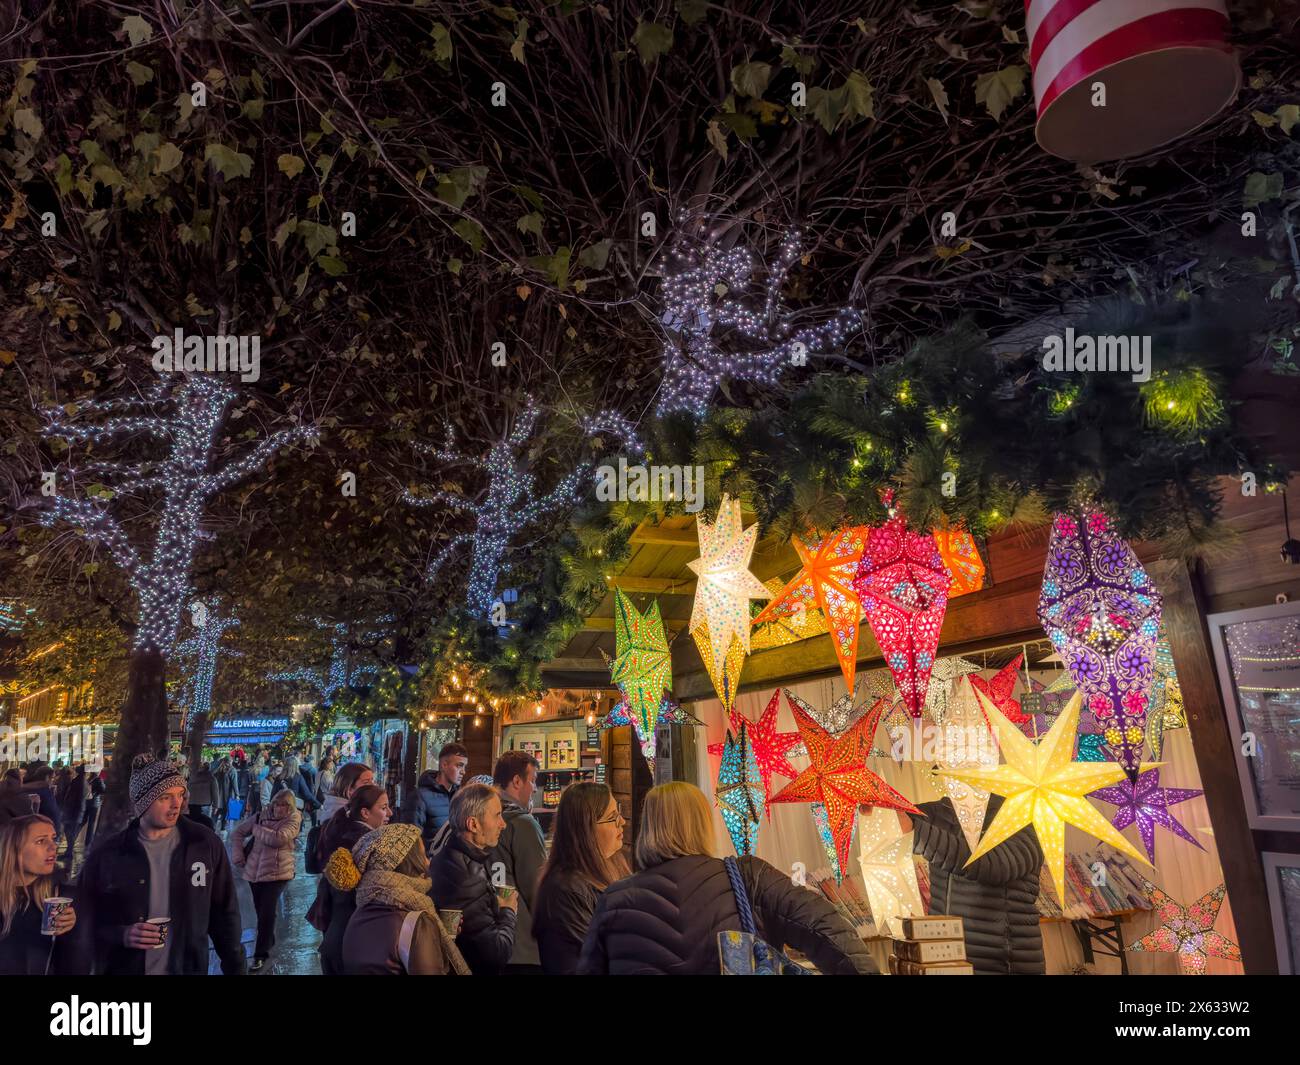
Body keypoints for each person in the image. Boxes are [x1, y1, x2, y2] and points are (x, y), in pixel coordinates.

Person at [577, 782, 878, 975]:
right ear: (702, 825)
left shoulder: (613, 901)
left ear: (648, 829)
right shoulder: (749, 877)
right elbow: (829, 931)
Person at [78, 754, 245, 975]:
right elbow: (83, 920)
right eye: (165, 797)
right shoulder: (108, 854)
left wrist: (236, 967)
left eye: (180, 794)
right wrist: (123, 934)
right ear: (143, 802)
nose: (177, 804)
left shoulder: (203, 844)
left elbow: (225, 914)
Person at [907, 796, 1045, 975]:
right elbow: (896, 818)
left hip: (1004, 964)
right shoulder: (943, 811)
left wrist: (916, 831)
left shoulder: (1023, 816)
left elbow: (995, 865)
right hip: (947, 962)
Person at [339, 823, 470, 975]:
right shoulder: (415, 923)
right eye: (423, 856)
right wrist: (429, 934)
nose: (428, 863)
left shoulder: (358, 914)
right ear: (410, 862)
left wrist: (436, 936)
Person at [532, 782, 628, 975]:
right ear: (586, 828)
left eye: (618, 813)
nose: (622, 821)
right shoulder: (565, 889)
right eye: (612, 817)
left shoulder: (608, 868)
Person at [428, 782, 517, 976]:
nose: (503, 824)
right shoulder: (467, 878)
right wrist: (508, 910)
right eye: (497, 815)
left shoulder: (450, 857)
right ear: (473, 824)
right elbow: (496, 954)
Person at [309, 779, 384, 976]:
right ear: (365, 812)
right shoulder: (364, 842)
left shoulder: (342, 829)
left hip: (336, 932)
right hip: (350, 938)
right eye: (384, 807)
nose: (390, 813)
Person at [0, 814, 81, 975]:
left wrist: (73, 930)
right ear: (14, 850)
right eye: (41, 841)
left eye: (53, 839)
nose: (53, 847)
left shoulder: (58, 895)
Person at [488, 750, 546, 973]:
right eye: (532, 781)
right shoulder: (522, 823)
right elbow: (536, 887)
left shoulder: (478, 817)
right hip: (521, 945)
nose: (534, 788)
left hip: (485, 939)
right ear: (516, 781)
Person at [232, 788, 301, 972]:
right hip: (255, 872)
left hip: (278, 873)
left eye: (284, 805)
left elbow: (280, 838)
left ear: (290, 807)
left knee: (267, 913)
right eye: (277, 804)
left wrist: (257, 829)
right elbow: (238, 833)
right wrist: (238, 854)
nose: (279, 808)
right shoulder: (260, 815)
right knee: (261, 910)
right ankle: (267, 940)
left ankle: (260, 954)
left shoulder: (294, 818)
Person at [400, 743, 467, 848]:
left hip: (453, 861)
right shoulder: (419, 797)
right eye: (459, 766)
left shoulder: (460, 796)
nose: (463, 772)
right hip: (429, 861)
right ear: (444, 765)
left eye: (464, 767)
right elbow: (410, 839)